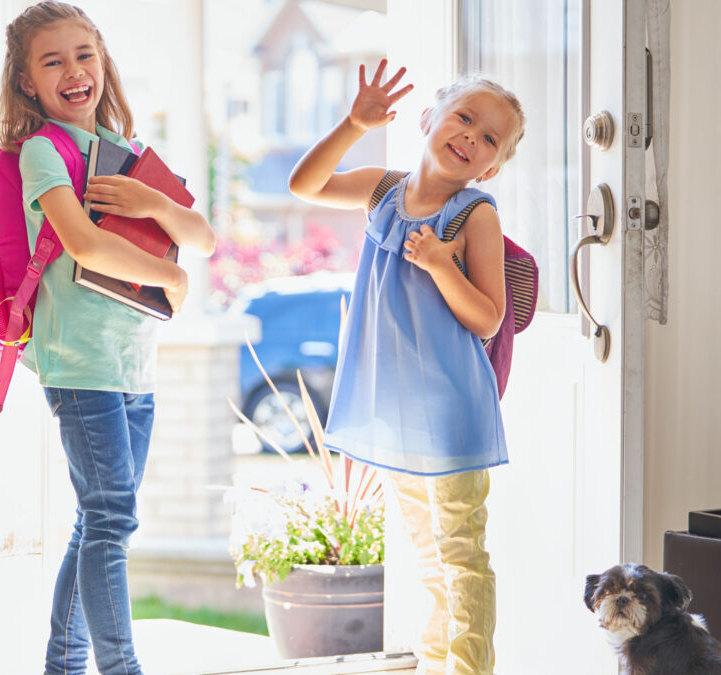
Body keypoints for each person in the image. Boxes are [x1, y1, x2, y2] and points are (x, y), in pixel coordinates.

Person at [0, 3, 216, 673]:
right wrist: (167, 280)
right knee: (112, 518)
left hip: (131, 362)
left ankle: (63, 665)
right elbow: (84, 241)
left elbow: (202, 238)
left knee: (98, 521)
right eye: (52, 60)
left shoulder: (126, 155)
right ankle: (120, 667)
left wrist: (154, 205)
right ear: (28, 82)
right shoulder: (43, 151)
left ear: (103, 61)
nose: (74, 71)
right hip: (79, 359)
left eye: (84, 55)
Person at [289, 60, 526, 675]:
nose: (472, 135)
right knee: (427, 556)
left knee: (461, 554)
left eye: (489, 138)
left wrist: (443, 266)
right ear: (430, 119)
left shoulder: (476, 216)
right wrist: (352, 124)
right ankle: (436, 663)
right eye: (465, 117)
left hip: (450, 410)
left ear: (491, 166)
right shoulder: (382, 190)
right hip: (396, 406)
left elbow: (489, 319)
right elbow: (305, 186)